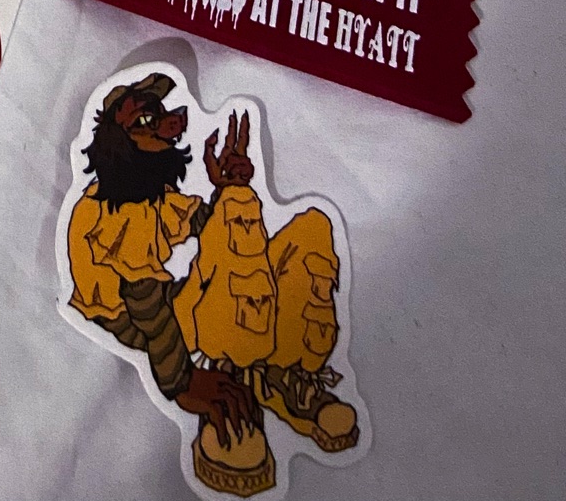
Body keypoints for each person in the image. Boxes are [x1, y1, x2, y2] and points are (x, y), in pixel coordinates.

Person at [65, 74, 358, 496]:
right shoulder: (105, 213)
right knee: (229, 270)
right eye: (146, 119)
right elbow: (144, 305)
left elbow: (205, 226)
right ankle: (233, 376)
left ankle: (286, 373)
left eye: (160, 114)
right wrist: (182, 382)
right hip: (150, 331)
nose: (167, 124)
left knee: (309, 229)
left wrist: (230, 189)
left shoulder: (155, 195)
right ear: (118, 140)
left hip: (171, 311)